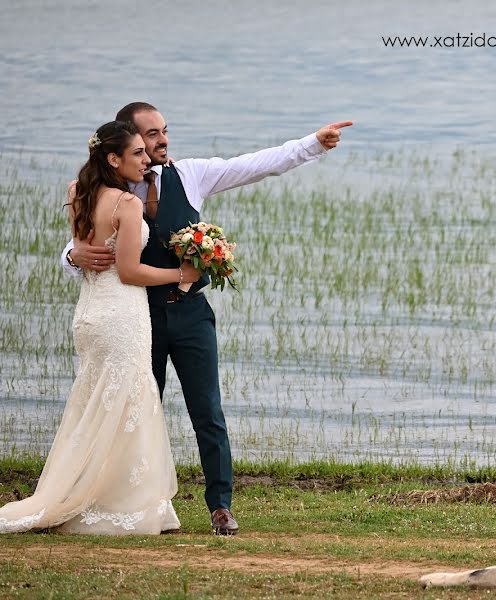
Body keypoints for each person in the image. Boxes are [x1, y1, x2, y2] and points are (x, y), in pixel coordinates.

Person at [61, 103, 352, 535]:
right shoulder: (111, 192)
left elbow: (256, 165)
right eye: (150, 136)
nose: (161, 142)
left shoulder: (191, 174)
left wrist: (313, 144)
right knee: (137, 410)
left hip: (192, 317)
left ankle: (220, 506)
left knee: (208, 411)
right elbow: (79, 245)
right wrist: (71, 256)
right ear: (129, 143)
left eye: (164, 132)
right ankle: (134, 502)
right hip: (139, 318)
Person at [1, 121, 202, 535]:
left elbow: (82, 250)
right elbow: (129, 271)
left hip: (90, 314)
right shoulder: (125, 205)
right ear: (114, 159)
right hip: (122, 315)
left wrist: (74, 256)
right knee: (127, 398)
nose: (147, 160)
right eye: (137, 154)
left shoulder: (78, 192)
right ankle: (122, 502)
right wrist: (181, 275)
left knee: (95, 401)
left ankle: (98, 491)